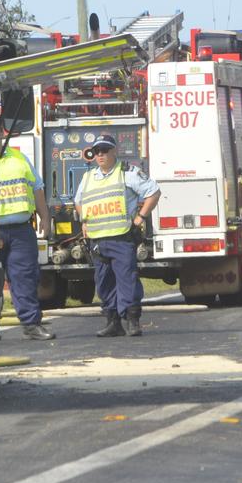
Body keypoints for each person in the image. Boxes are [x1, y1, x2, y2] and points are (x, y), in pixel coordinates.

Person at [74, 134, 160, 337]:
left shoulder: (127, 172)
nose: (100, 154)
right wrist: (84, 220)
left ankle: (132, 320)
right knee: (103, 282)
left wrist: (140, 218)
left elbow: (153, 192)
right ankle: (113, 322)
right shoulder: (88, 177)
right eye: (97, 151)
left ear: (114, 151)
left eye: (104, 150)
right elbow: (79, 200)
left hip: (121, 237)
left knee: (127, 280)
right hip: (97, 240)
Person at [0, 139, 56, 340]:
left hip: (21, 230)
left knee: (25, 277)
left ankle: (31, 325)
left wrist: (45, 217)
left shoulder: (19, 158)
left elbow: (37, 188)